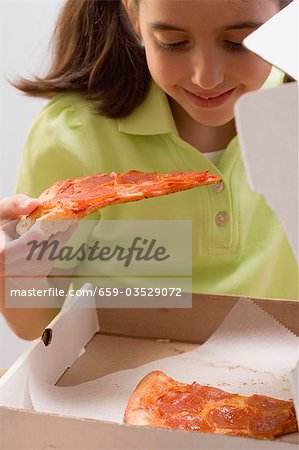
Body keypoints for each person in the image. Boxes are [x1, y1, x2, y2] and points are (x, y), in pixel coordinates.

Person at [0, 0, 297, 340]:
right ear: (134, 15)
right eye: (173, 43)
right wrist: (14, 274)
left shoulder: (292, 108)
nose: (206, 77)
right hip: (113, 381)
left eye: (238, 42)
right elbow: (36, 324)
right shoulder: (72, 135)